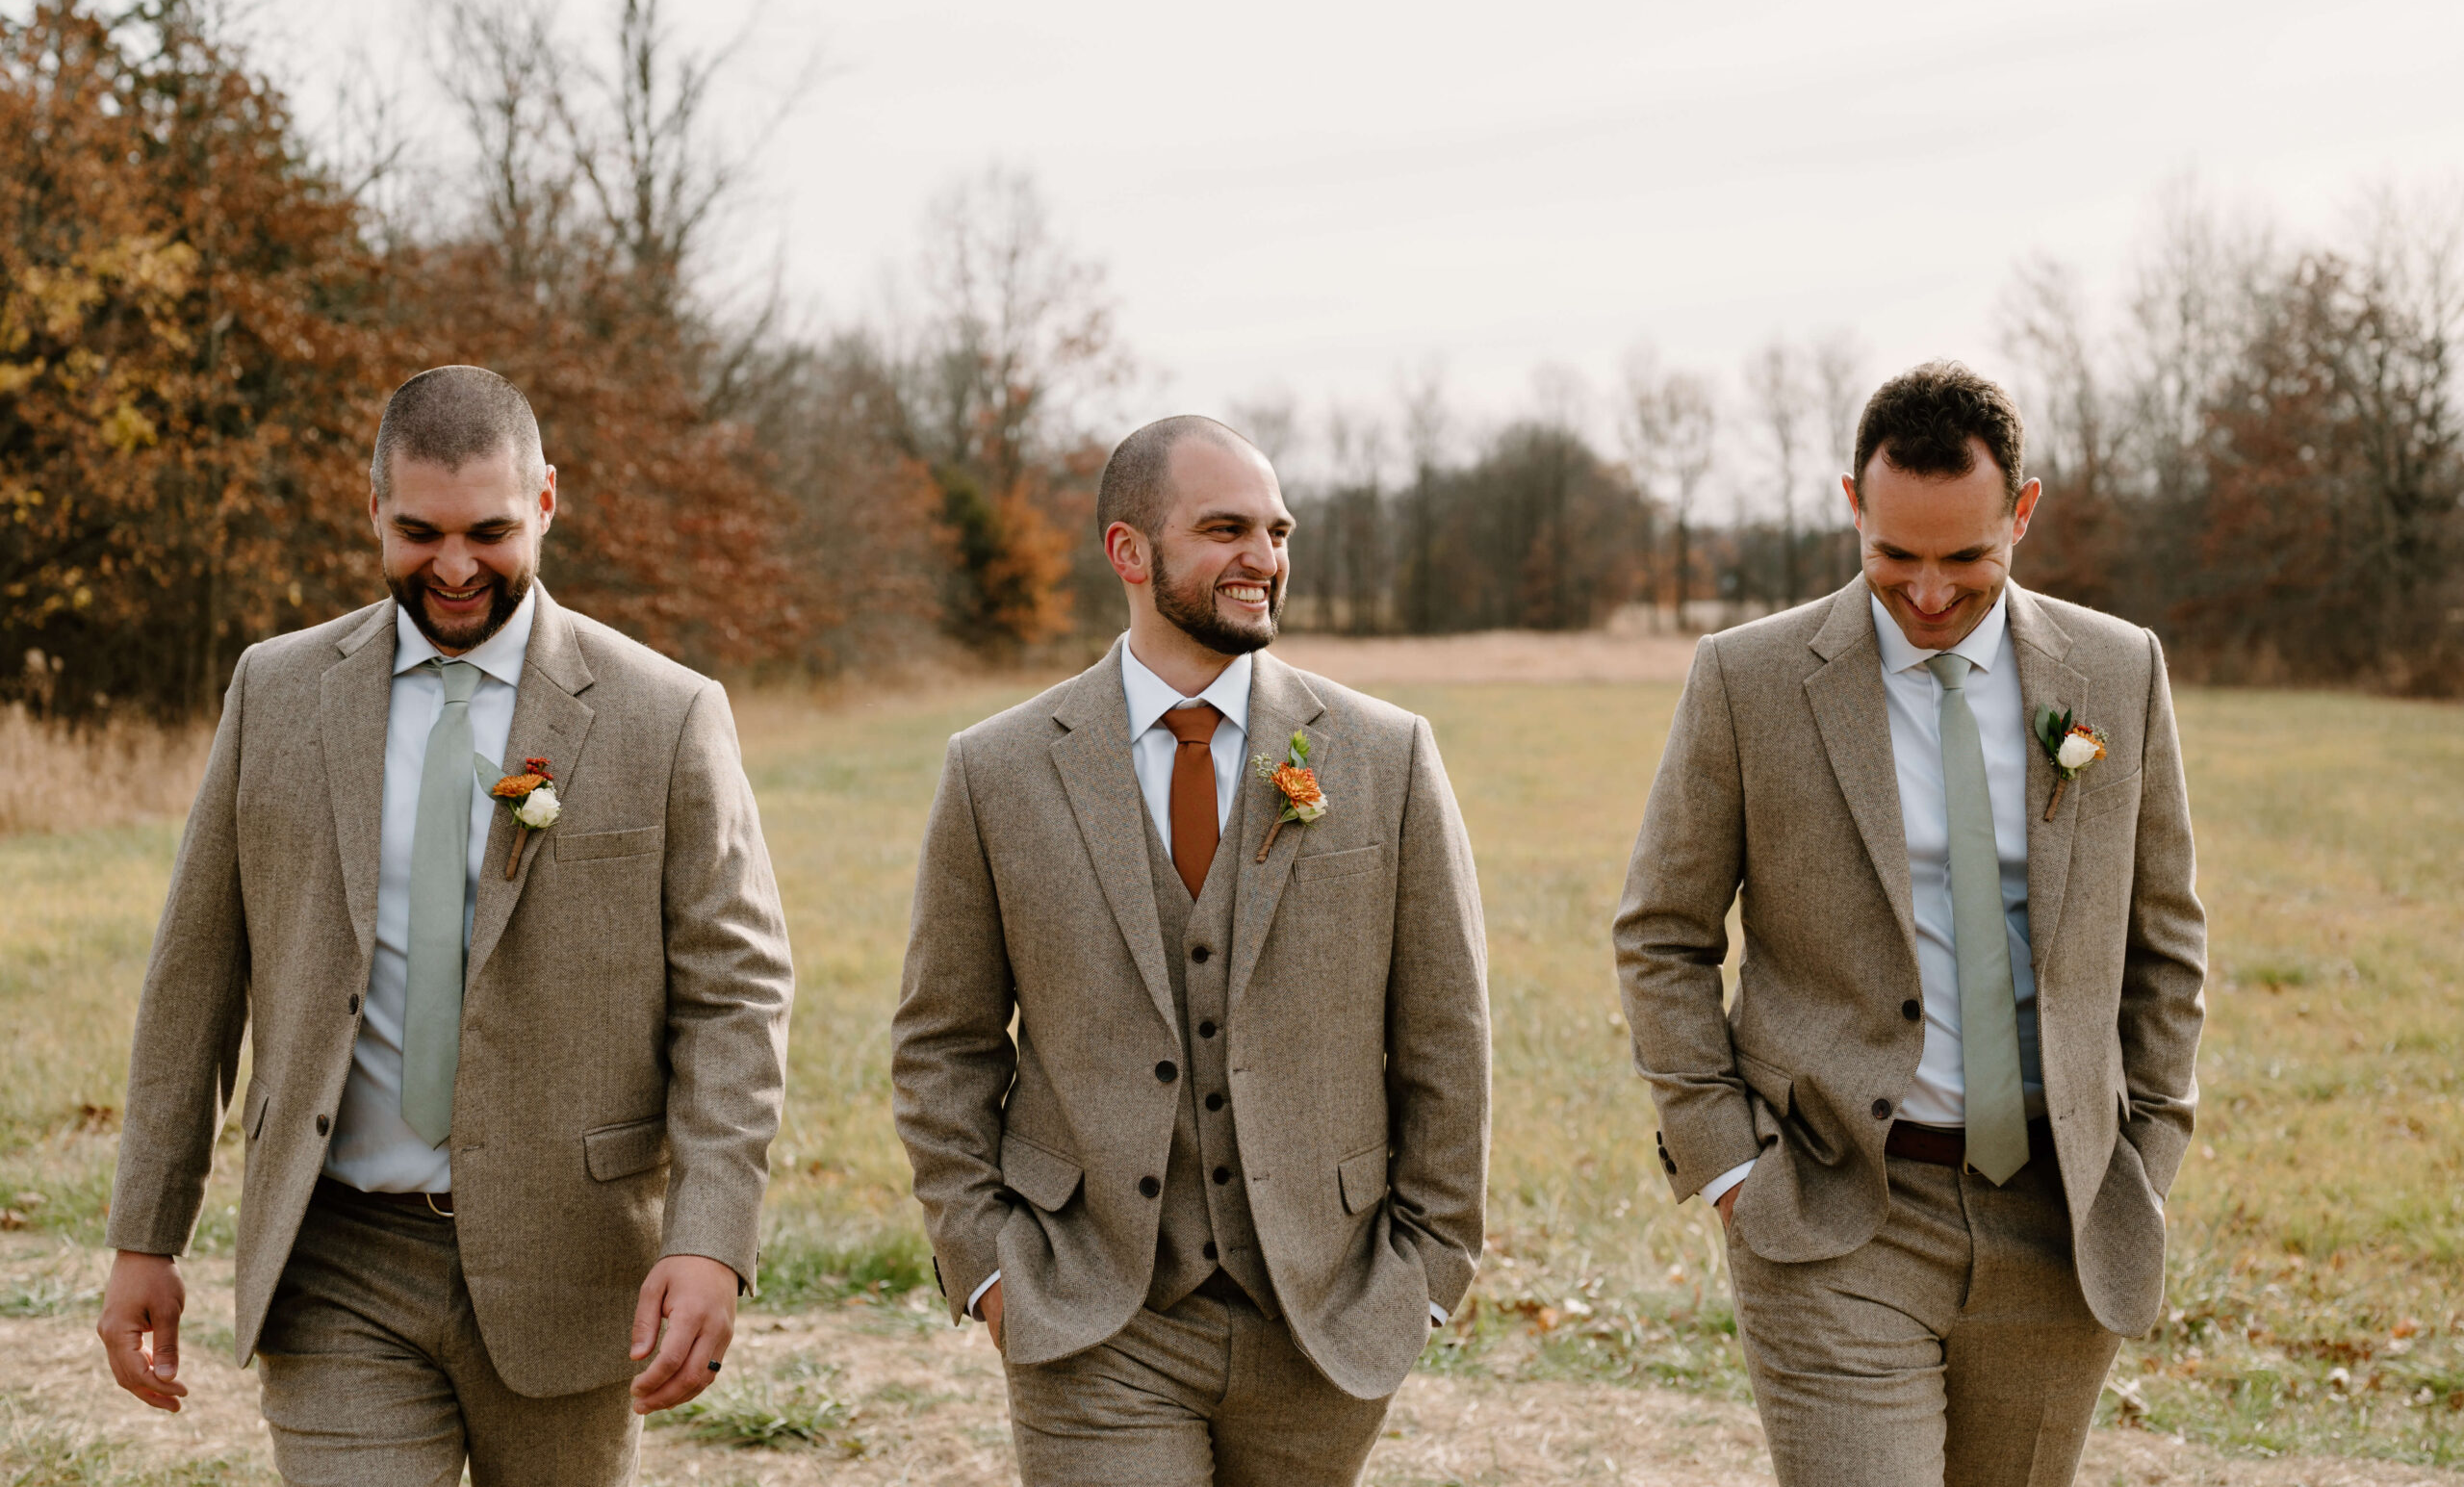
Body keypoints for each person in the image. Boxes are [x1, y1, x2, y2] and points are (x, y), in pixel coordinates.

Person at [96, 366, 795, 1485]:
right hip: (337, 1259)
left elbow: (736, 996)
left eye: (491, 531)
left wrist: (709, 1235)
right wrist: (147, 1230)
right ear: (371, 508)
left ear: (548, 502)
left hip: (573, 1265)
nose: (457, 567)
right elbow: (195, 977)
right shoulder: (272, 691)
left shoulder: (667, 715)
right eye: (419, 531)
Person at [1613, 362, 2206, 1487]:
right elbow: (1661, 931)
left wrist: (2147, 1149)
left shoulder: (2119, 672)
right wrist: (1728, 1163)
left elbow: (2163, 930)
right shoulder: (1748, 679)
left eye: (1966, 559)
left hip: (2059, 1214)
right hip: (1835, 1210)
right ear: (1852, 504)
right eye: (1894, 558)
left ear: (2020, 514)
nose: (1928, 594)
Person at [892, 415, 1490, 1485]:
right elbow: (943, 1043)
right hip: (1088, 1308)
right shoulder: (998, 770)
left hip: (1329, 1308)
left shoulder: (1387, 755)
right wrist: (988, 1265)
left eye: (1275, 528)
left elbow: (1448, 1030)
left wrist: (1429, 1266)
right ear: (1130, 551)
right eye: (1224, 529)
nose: (1263, 558)